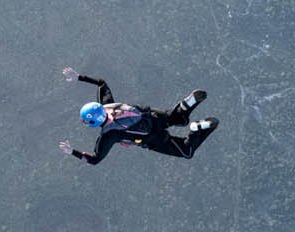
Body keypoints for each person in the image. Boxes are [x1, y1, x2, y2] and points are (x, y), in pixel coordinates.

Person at [58, 68, 217, 164]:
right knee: (179, 119)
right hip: (152, 115)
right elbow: (102, 83)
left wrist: (72, 152)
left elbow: (94, 159)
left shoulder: (109, 135)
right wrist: (78, 77)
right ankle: (184, 106)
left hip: (152, 138)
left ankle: (197, 129)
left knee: (186, 151)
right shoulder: (107, 105)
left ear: (93, 122)